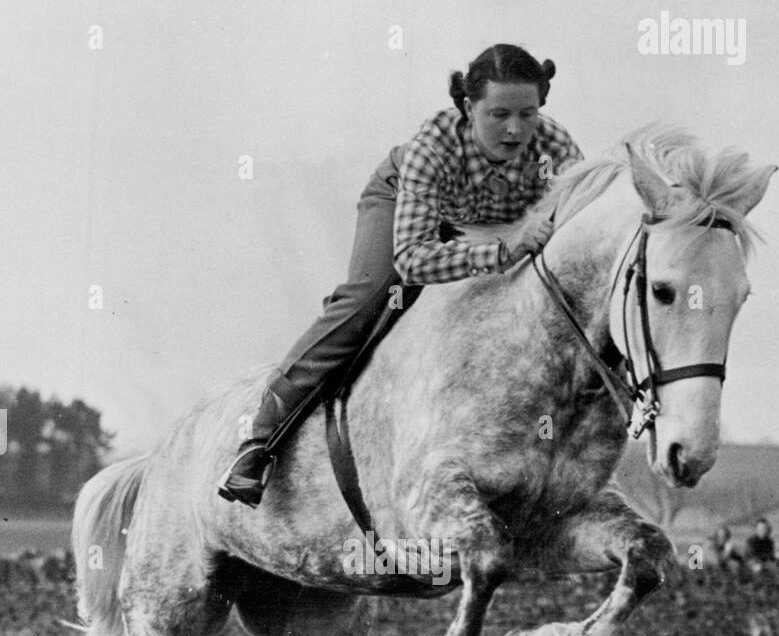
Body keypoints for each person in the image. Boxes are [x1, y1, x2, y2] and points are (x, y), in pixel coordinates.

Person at [217, 43, 583, 506]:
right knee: (373, 296)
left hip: (495, 223)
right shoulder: (432, 149)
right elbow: (412, 258)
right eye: (498, 114)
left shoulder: (556, 147)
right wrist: (501, 251)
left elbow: (579, 229)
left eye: (528, 114)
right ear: (469, 107)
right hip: (408, 210)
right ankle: (260, 438)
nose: (515, 130)